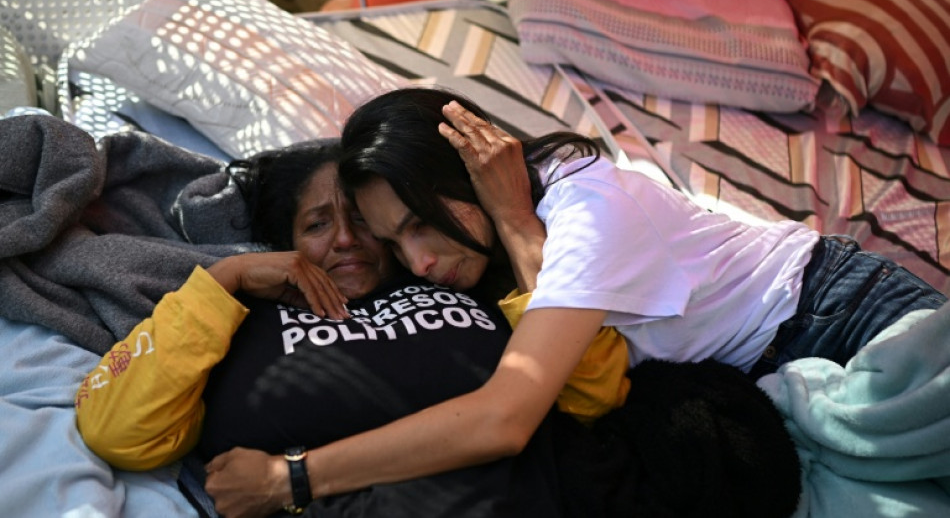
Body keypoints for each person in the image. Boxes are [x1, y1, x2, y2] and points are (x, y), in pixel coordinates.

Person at [199, 86, 945, 513]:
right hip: (761, 386)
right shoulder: (482, 247)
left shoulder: (583, 207)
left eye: (426, 221)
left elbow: (505, 416)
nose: (419, 261)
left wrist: (289, 475)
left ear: (467, 174)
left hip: (840, 317)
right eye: (396, 242)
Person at [74, 140, 572, 518]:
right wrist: (226, 279)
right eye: (316, 225)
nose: (346, 240)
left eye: (363, 221)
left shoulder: (457, 278)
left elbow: (592, 392)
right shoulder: (232, 319)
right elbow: (116, 434)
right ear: (283, 240)